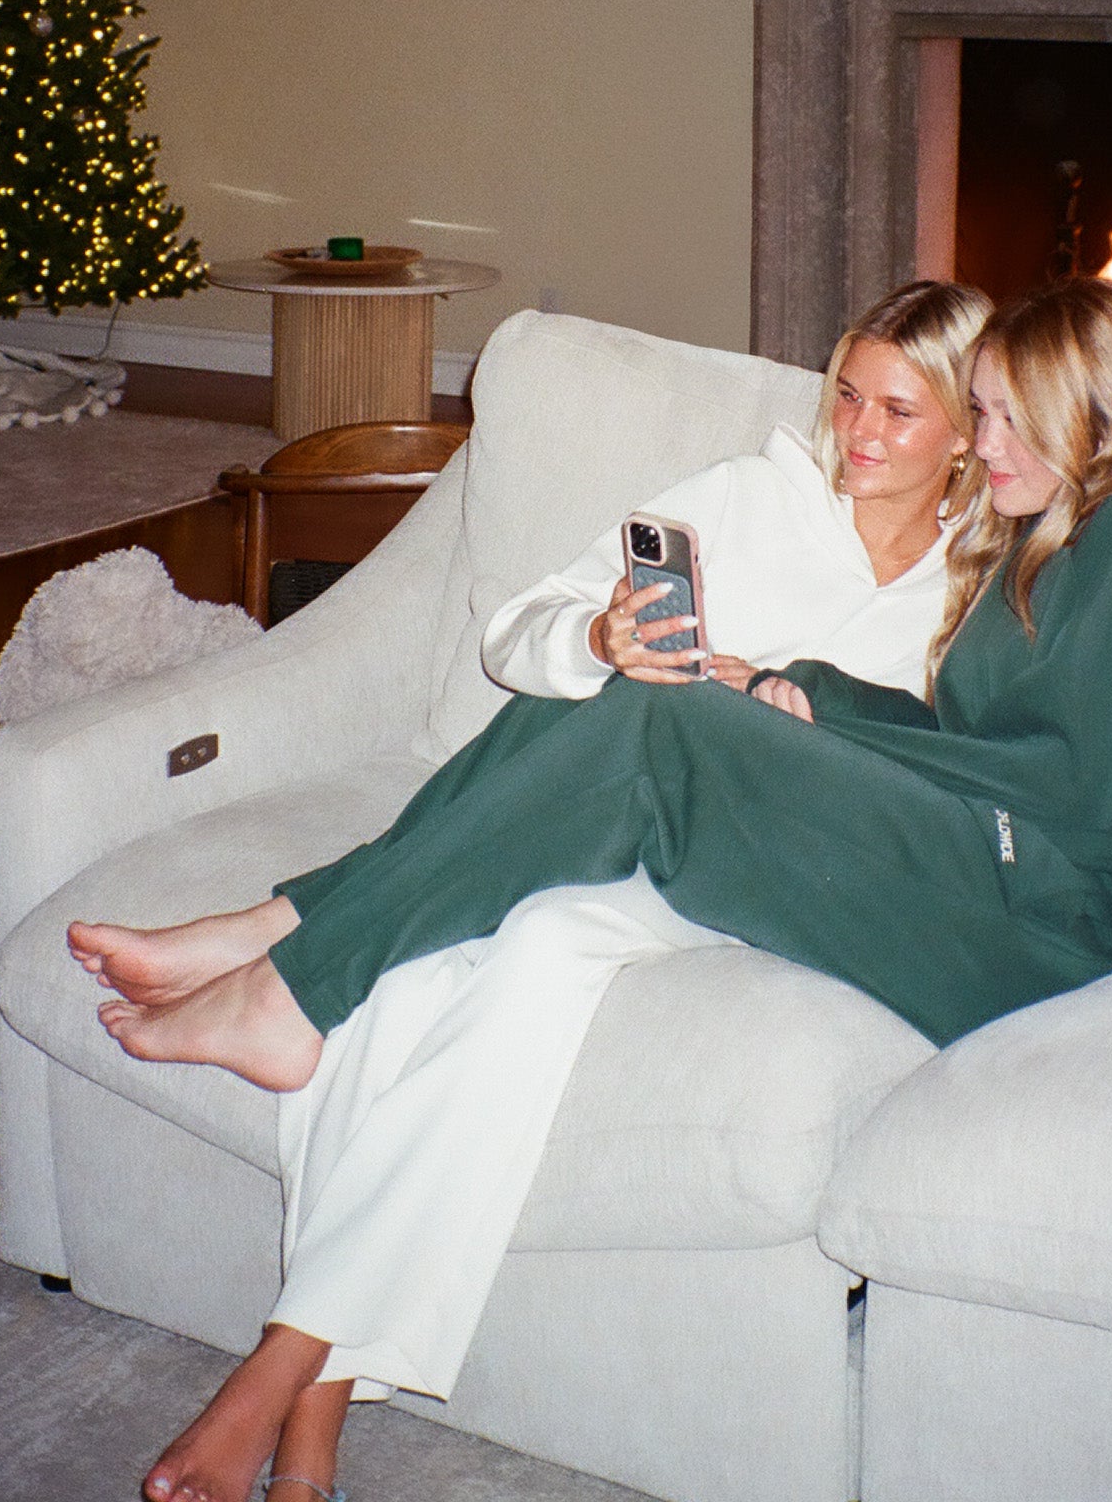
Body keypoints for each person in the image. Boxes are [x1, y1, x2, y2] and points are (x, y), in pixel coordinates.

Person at [70, 278, 991, 1502]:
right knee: (452, 963)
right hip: (590, 829)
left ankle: (277, 1340)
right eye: (847, 393)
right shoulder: (746, 496)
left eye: (900, 411)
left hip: (751, 866)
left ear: (969, 431)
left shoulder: (978, 587)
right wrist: (600, 639)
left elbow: (952, 783)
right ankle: (313, 1415)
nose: (859, 432)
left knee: (540, 902)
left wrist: (790, 704)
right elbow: (518, 633)